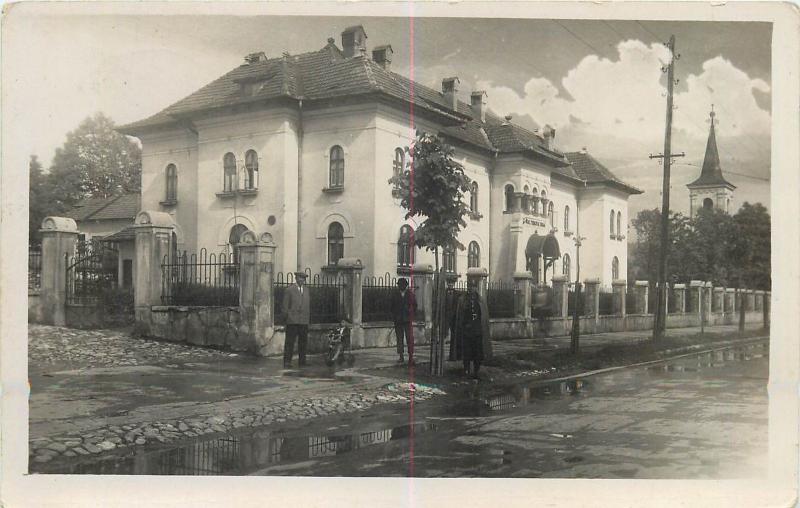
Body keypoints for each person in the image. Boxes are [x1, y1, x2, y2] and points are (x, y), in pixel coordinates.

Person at [454, 278, 492, 378]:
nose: (471, 289)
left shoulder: (480, 300)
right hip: (466, 330)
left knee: (477, 352)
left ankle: (476, 370)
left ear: (476, 288)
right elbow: (459, 315)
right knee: (466, 352)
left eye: (473, 287)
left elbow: (484, 316)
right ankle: (466, 369)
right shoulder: (462, 300)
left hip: (477, 330)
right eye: (469, 287)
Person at [282, 271, 310, 368]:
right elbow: (285, 306)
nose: (302, 280)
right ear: (296, 278)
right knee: (290, 342)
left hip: (303, 321)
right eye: (300, 278)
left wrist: (307, 318)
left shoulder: (306, 290)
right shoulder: (289, 290)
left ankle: (302, 361)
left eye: (303, 278)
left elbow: (307, 305)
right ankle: (287, 361)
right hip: (292, 321)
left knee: (303, 342)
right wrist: (287, 317)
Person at [390, 277, 417, 365]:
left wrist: (410, 312)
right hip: (398, 320)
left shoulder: (410, 294)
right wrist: (394, 316)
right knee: (399, 338)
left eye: (402, 285)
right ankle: (401, 356)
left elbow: (415, 306)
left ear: (405, 286)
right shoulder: (395, 294)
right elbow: (391, 306)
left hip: (407, 320)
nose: (400, 286)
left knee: (409, 339)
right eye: (399, 285)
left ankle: (410, 357)